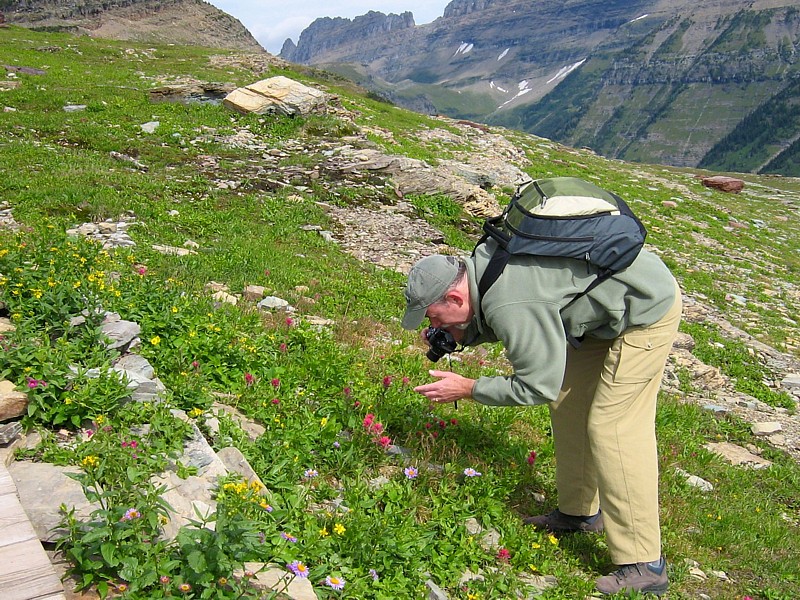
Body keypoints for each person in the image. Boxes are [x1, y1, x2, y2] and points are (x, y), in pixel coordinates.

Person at [401, 238, 681, 597]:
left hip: (645, 307)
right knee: (569, 403)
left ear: (455, 298)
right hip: (599, 313)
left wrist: (470, 388)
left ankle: (646, 564)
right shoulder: (480, 270)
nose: (435, 324)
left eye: (434, 317)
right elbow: (500, 316)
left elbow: (536, 386)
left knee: (613, 427)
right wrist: (459, 334)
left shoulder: (509, 300)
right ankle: (579, 514)